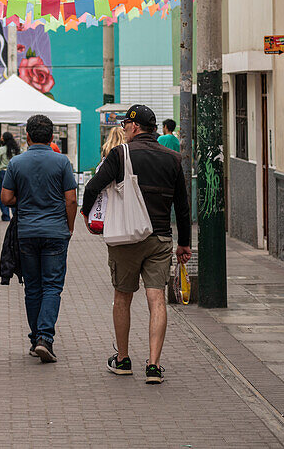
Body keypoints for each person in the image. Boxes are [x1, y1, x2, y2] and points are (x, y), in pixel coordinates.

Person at [81, 104, 192, 384]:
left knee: (123, 297)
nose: (125, 130)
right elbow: (182, 206)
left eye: (125, 126)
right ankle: (153, 366)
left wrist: (86, 213)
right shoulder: (173, 158)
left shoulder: (121, 154)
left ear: (134, 127)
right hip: (160, 238)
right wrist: (184, 244)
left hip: (126, 239)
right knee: (156, 299)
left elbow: (94, 186)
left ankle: (123, 360)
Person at [0, 114, 77, 364]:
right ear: (52, 137)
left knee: (32, 287)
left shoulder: (16, 163)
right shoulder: (62, 162)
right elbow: (71, 200)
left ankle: (36, 340)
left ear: (28, 137)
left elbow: (6, 198)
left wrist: (26, 199)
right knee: (52, 286)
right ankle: (45, 337)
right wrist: (70, 227)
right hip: (56, 232)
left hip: (27, 232)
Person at [0, 132, 20, 221]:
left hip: (3, 173)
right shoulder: (17, 149)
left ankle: (5, 216)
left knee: (3, 194)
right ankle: (15, 214)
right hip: (15, 173)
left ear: (4, 139)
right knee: (15, 194)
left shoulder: (1, 149)